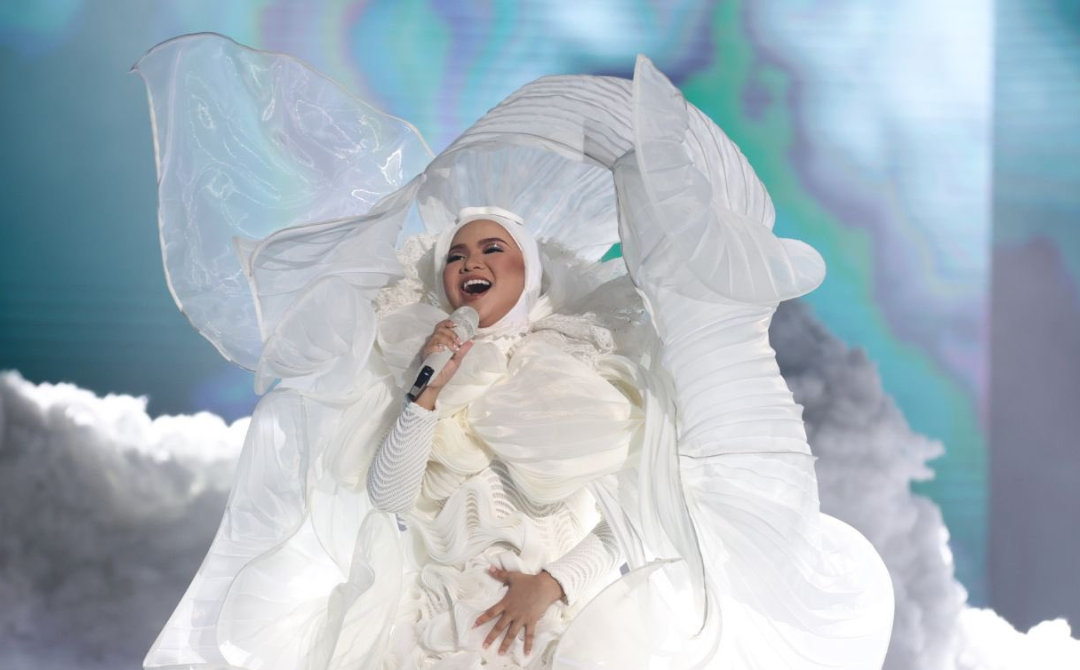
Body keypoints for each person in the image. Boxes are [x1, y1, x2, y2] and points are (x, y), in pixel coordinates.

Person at [133, 32, 895, 670]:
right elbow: (390, 497)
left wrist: (554, 586)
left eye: (492, 248)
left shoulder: (592, 364)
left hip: (552, 635)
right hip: (428, 632)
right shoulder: (411, 364)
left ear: (529, 270)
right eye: (457, 254)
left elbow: (638, 516)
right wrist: (426, 393)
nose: (471, 262)